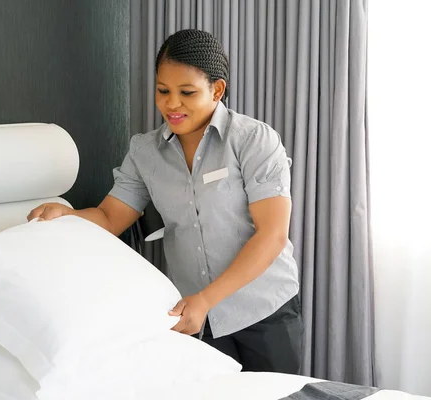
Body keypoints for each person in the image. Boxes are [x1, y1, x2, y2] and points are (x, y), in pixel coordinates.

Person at [27, 29, 302, 374]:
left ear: (217, 90)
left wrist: (206, 300)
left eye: (187, 93)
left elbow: (272, 235)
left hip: (263, 309)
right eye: (163, 91)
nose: (172, 104)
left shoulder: (252, 141)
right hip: (194, 318)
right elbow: (110, 217)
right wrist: (66, 216)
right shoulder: (145, 151)